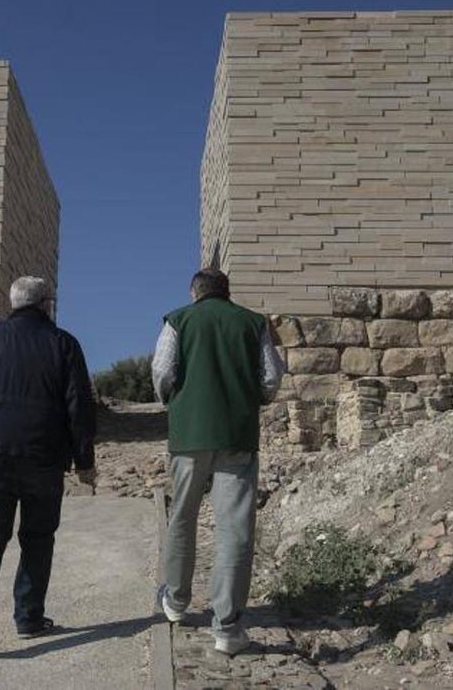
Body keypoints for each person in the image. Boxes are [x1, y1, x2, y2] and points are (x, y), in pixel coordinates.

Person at [0, 275, 97, 658]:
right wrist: (84, 462)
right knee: (38, 536)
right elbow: (79, 405)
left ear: (13, 304)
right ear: (47, 303)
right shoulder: (63, 343)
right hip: (44, 456)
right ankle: (29, 617)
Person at [151, 267, 285, 656]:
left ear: (195, 292)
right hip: (237, 435)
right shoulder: (252, 322)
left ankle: (175, 602)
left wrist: (176, 403)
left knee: (182, 516)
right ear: (227, 292)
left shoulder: (177, 319)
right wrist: (255, 399)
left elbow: (162, 371)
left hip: (188, 436)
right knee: (235, 528)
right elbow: (271, 377)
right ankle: (226, 626)